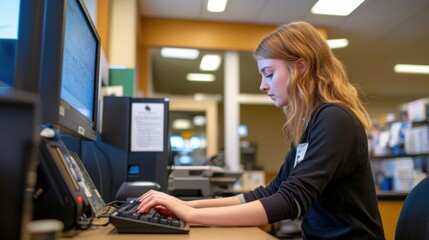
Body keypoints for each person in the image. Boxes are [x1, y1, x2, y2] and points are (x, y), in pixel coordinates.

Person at [137, 21, 385, 239]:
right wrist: (187, 205)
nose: (262, 86)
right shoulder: (310, 123)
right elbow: (272, 191)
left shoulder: (335, 119)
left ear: (301, 66)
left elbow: (290, 202)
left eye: (269, 74)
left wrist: (191, 214)